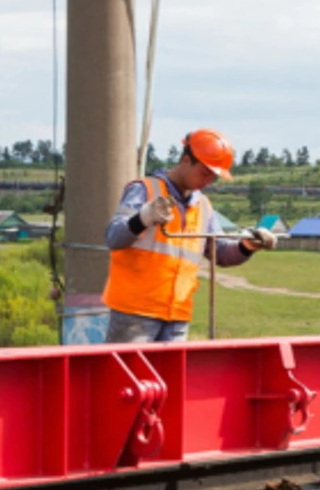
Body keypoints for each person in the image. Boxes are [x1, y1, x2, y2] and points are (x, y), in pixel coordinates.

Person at [103, 129, 277, 343]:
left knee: (172, 378)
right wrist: (143, 217)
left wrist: (247, 246)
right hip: (135, 313)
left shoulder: (203, 206)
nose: (208, 181)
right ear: (186, 160)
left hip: (177, 315)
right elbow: (114, 237)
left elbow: (220, 252)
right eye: (205, 173)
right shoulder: (144, 190)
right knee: (127, 376)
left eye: (213, 177)